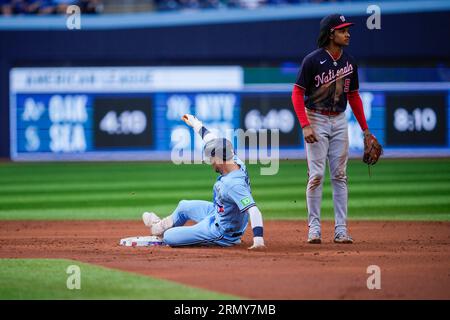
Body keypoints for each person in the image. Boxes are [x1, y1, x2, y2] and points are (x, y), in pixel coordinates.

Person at [291, 14, 372, 244]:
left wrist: (365, 129)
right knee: (316, 175)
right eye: (343, 30)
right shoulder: (313, 60)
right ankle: (314, 228)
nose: (348, 34)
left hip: (339, 120)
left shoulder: (349, 62)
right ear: (330, 34)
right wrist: (305, 125)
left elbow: (353, 96)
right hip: (315, 117)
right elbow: (297, 93)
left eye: (348, 30)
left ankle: (341, 229)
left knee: (340, 175)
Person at [142, 114, 266, 249]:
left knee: (170, 237)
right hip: (218, 213)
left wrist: (258, 241)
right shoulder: (233, 159)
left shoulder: (233, 185)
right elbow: (212, 140)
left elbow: (254, 211)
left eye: (211, 159)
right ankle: (157, 227)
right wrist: (195, 123)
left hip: (222, 231)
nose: (210, 162)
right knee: (184, 206)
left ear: (219, 159)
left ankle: (220, 240)